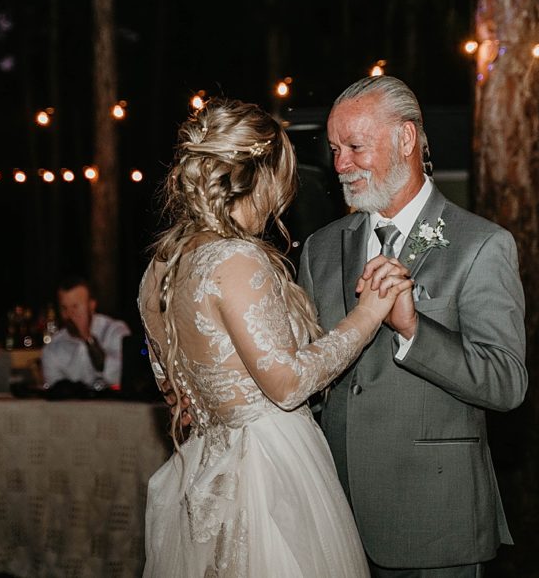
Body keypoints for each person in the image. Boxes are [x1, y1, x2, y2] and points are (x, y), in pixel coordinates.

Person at [136, 98, 414, 577]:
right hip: (269, 470)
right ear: (262, 173)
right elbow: (286, 384)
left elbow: (173, 391)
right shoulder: (237, 260)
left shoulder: (160, 268)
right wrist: (367, 316)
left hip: (207, 464)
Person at [297, 75, 529, 577]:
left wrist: (413, 329)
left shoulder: (480, 245)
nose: (339, 165)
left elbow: (507, 382)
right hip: (335, 515)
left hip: (434, 518)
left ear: (406, 139)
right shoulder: (319, 249)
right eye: (335, 149)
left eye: (355, 146)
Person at [41, 275, 131, 390]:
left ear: (91, 305)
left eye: (75, 306)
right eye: (64, 308)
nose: (69, 314)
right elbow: (55, 393)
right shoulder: (52, 349)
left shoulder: (115, 331)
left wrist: (89, 340)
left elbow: (121, 376)